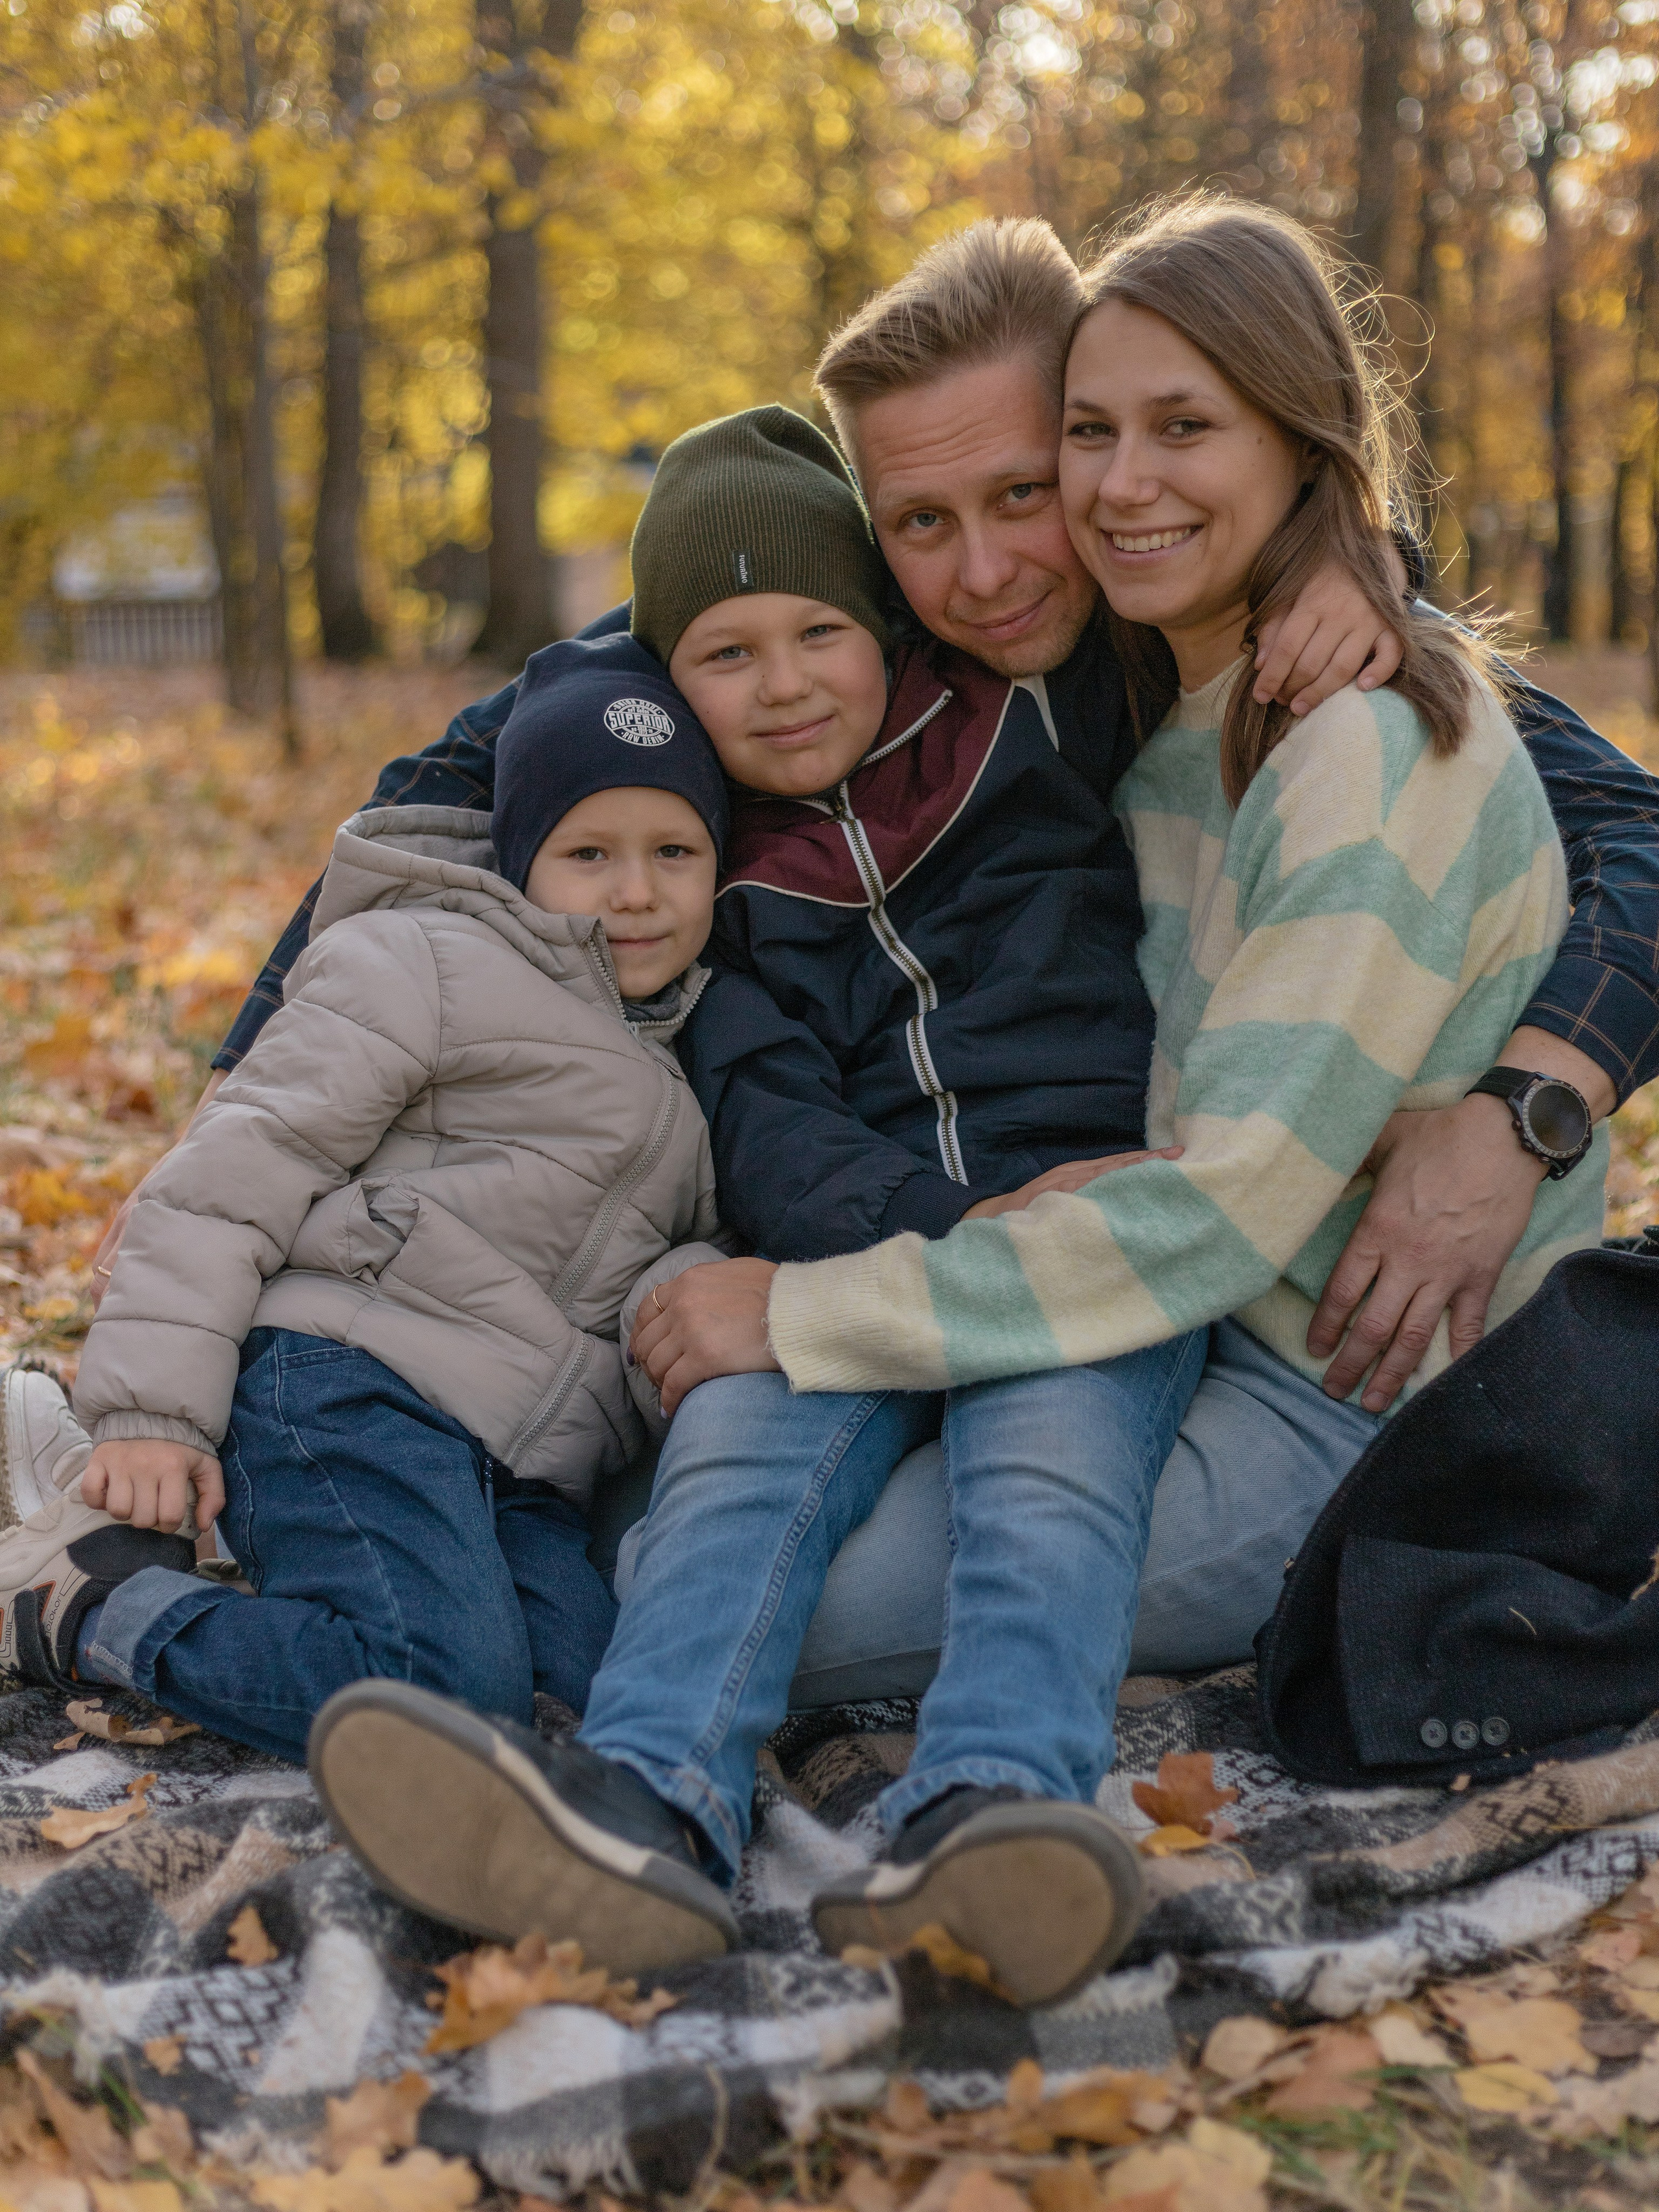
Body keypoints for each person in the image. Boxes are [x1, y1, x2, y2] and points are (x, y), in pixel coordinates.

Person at [308, 196, 1608, 2005]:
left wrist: (1530, 1095)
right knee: (722, 1462)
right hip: (1114, 1256)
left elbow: (1218, 1196)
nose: (1031, 541)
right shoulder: (1119, 700)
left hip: (1336, 1378)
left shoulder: (1351, 725)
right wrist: (264, 1093)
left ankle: (992, 1820)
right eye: (1090, 442)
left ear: (1305, 443)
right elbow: (549, 728)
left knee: (727, 1559)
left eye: (1171, 435)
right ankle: (638, 1812)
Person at [90, 217, 1659, 1685]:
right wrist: (247, 1163)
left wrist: (1527, 1100)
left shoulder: (1314, 633)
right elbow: (442, 798)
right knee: (645, 1527)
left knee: (706, 1589)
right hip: (935, 1226)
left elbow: (1630, 838)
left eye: (1027, 490)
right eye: (920, 521)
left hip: (1205, 1278)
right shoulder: (810, 634)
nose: (982, 573)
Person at [0, 656, 730, 1760]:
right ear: (525, 857)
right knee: (440, 1689)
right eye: (591, 853)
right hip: (344, 1376)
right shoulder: (426, 961)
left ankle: (253, 1573)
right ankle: (90, 1604)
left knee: (591, 1703)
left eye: (673, 852)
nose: (636, 891)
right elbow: (232, 1172)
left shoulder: (691, 1067)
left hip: (517, 1461)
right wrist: (154, 1413)